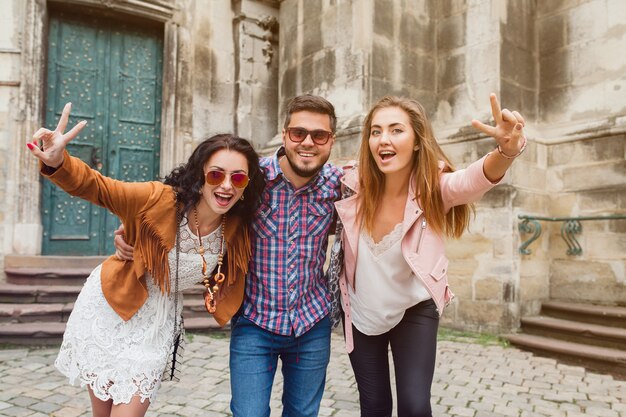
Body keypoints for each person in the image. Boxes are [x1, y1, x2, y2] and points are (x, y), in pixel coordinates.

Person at [26, 103, 265, 417]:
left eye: (238, 178)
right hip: (111, 306)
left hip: (156, 325)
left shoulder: (237, 228)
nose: (225, 185)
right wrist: (59, 161)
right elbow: (99, 188)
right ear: (200, 175)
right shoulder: (159, 199)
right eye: (216, 174)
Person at [114, 94, 343, 417]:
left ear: (330, 140)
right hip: (255, 322)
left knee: (304, 414)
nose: (308, 143)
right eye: (298, 133)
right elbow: (185, 199)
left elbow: (388, 184)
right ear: (284, 134)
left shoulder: (339, 184)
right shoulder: (247, 178)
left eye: (319, 135)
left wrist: (440, 170)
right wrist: (133, 229)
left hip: (311, 323)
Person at [335, 94, 526, 417]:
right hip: (362, 311)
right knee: (375, 407)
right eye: (376, 131)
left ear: (418, 141)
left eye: (396, 130)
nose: (384, 139)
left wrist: (507, 150)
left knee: (414, 406)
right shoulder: (352, 185)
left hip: (414, 309)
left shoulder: (434, 188)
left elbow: (473, 179)